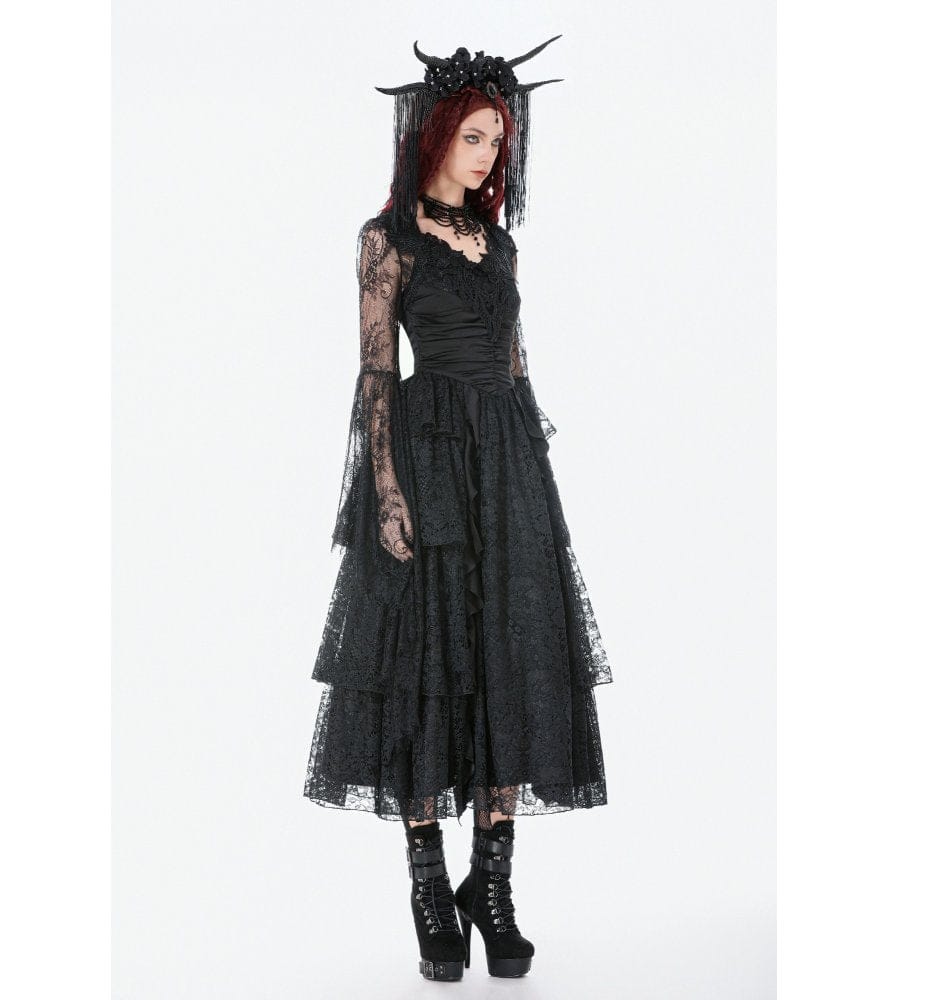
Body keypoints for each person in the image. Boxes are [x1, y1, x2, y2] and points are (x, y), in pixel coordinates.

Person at [302, 36, 614, 981]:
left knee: (512, 655)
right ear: (435, 133)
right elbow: (374, 372)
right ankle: (431, 885)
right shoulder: (386, 238)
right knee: (427, 660)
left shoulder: (498, 241)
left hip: (506, 460)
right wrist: (385, 489)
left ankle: (494, 884)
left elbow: (514, 360)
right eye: (474, 137)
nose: (487, 156)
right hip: (427, 455)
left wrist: (533, 473)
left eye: (497, 141)